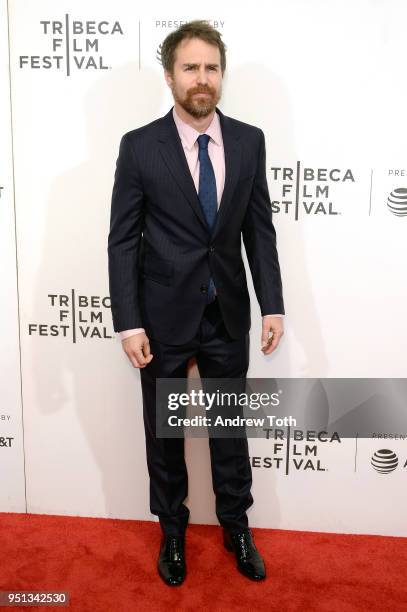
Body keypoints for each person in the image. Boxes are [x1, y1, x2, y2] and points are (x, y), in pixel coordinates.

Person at [108, 20, 285, 586]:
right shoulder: (139, 147)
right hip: (160, 317)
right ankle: (173, 532)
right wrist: (129, 321)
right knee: (166, 433)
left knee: (229, 430)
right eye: (191, 67)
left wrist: (273, 304)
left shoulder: (250, 140)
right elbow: (122, 240)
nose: (202, 78)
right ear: (170, 76)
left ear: (221, 75)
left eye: (211, 67)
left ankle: (236, 525)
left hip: (227, 313)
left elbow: (259, 230)